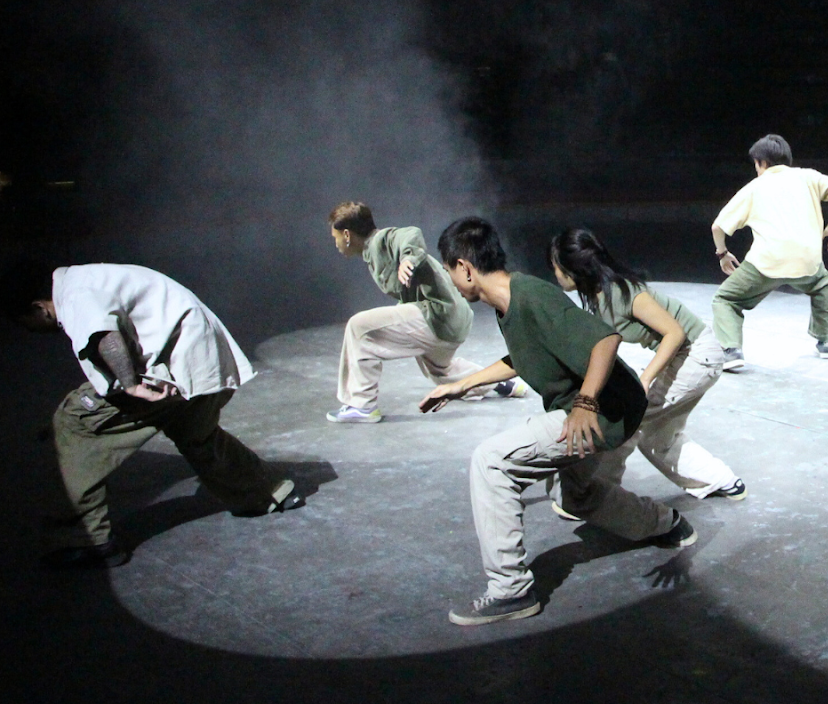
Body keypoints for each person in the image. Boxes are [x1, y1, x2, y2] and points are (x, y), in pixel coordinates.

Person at [422, 217, 695, 626]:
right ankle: (666, 524)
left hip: (601, 411)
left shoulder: (531, 295)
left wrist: (585, 403)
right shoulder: (508, 303)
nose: (452, 281)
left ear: (464, 267)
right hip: (604, 408)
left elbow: (605, 340)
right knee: (576, 497)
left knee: (492, 462)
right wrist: (464, 384)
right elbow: (522, 355)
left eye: (449, 271)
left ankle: (510, 591)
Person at [4, 262, 302, 568]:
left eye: (24, 322)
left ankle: (88, 540)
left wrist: (131, 386)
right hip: (204, 362)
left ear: (39, 308)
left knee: (74, 422)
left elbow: (105, 336)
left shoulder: (74, 294)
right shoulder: (85, 278)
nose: (29, 330)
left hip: (174, 366)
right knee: (194, 433)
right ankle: (269, 491)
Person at [547, 227, 746, 506]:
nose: (554, 273)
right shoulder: (598, 295)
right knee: (658, 437)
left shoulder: (621, 292)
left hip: (697, 356)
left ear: (573, 268)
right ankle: (721, 480)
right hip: (685, 357)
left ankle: (596, 493)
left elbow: (674, 333)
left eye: (556, 266)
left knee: (628, 421)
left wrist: (645, 379)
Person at [326, 201, 526, 423]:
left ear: (347, 234)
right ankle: (500, 383)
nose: (335, 243)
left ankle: (362, 405)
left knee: (359, 327)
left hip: (440, 313)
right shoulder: (372, 253)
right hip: (451, 318)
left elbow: (411, 234)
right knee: (442, 371)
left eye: (335, 237)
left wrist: (408, 258)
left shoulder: (382, 239)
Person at [710, 135, 828, 370]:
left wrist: (723, 253)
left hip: (766, 264)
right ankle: (825, 341)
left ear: (761, 162)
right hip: (807, 262)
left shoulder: (754, 187)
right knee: (822, 284)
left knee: (725, 299)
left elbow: (717, 227)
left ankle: (732, 351)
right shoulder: (807, 176)